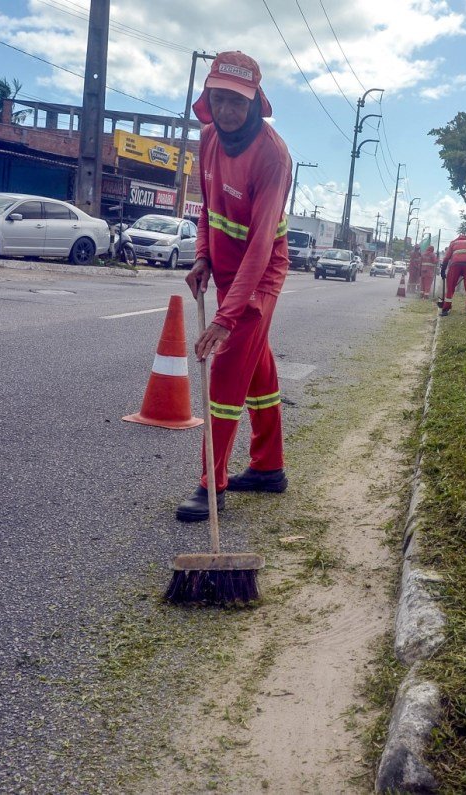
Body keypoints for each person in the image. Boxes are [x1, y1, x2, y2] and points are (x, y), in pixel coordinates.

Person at [177, 51, 293, 523]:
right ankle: (268, 467)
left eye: (237, 103)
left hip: (258, 275)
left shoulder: (273, 155)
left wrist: (227, 318)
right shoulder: (206, 141)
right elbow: (205, 208)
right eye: (219, 99)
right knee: (257, 370)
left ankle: (212, 484)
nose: (227, 111)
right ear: (207, 99)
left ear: (254, 103)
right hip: (225, 268)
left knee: (225, 372)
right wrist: (202, 255)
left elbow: (263, 243)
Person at [440, 232, 466, 316]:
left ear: (458, 238)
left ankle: (445, 310)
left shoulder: (453, 243)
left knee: (451, 286)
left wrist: (443, 270)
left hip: (455, 265)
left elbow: (446, 258)